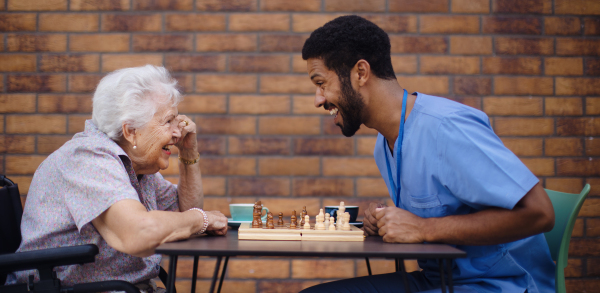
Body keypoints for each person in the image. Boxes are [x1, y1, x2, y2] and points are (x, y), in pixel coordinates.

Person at [300, 15, 555, 293]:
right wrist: (385, 220)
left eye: (321, 83)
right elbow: (428, 217)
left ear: (360, 73)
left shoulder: (448, 127)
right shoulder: (385, 142)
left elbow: (540, 213)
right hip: (438, 281)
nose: (318, 99)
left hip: (502, 285)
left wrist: (424, 228)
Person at [6, 65, 228, 291]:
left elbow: (185, 211)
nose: (178, 132)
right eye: (168, 121)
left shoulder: (136, 165)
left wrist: (189, 153)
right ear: (130, 130)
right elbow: (140, 234)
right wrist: (201, 219)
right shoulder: (87, 159)